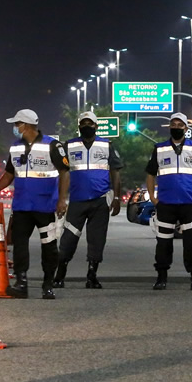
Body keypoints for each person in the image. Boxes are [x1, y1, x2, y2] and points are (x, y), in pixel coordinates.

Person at [0, 108, 69, 300]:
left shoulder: (53, 146)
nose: (15, 128)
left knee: (49, 246)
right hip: (22, 206)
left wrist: (62, 200)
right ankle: (21, 283)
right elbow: (9, 174)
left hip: (46, 206)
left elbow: (64, 172)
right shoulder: (15, 148)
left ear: (27, 125)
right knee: (19, 244)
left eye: (17, 124)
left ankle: (48, 285)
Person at [53, 111, 123, 289]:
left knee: (97, 239)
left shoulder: (107, 145)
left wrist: (116, 197)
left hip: (99, 201)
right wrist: (60, 199)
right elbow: (62, 173)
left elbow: (115, 171)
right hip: (77, 201)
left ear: (96, 127)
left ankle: (92, 275)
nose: (87, 127)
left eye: (90, 124)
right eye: (83, 124)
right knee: (68, 238)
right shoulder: (69, 146)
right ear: (79, 127)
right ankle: (60, 274)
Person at [144, 112, 192, 291]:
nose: (177, 127)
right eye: (174, 124)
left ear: (186, 129)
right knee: (163, 242)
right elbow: (150, 174)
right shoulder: (159, 148)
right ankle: (161, 277)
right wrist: (153, 198)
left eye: (180, 125)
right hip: (166, 204)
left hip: (190, 203)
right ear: (169, 127)